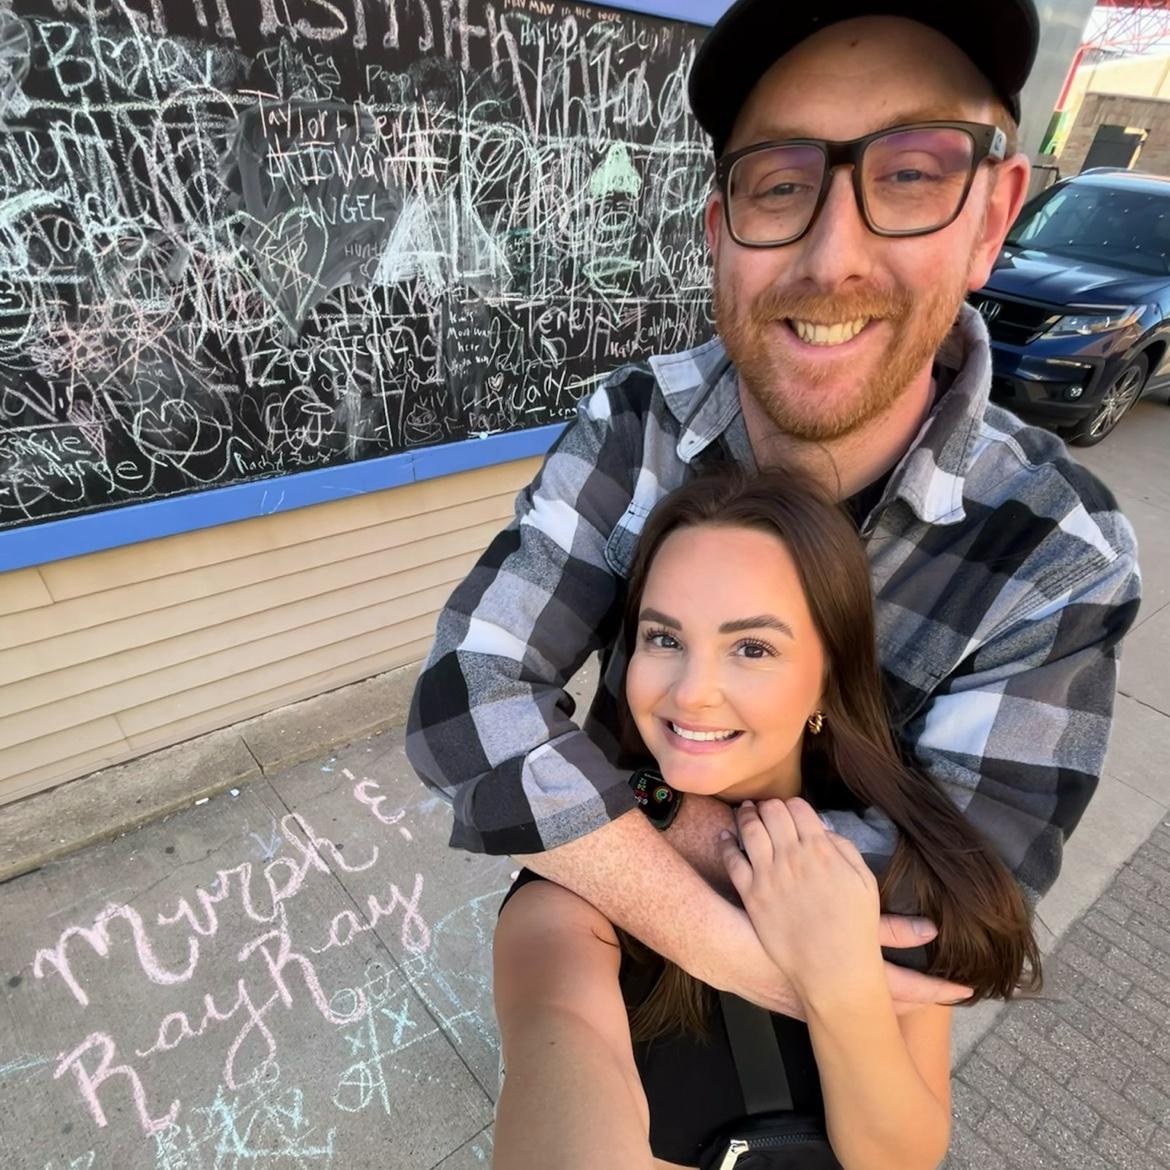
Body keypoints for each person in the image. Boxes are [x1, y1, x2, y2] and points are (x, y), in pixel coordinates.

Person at [407, 0, 1140, 1020]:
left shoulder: (1055, 550)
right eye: (782, 183)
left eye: (911, 174)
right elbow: (462, 696)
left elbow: (966, 913)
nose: (832, 258)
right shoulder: (638, 423)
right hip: (617, 934)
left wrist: (623, 811)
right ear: (721, 233)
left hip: (821, 1033)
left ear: (991, 219)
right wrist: (719, 915)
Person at [491, 470, 1042, 1170]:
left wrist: (841, 982)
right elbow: (561, 1034)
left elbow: (903, 1154)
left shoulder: (890, 874)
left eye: (752, 648)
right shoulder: (576, 881)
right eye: (664, 638)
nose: (692, 693)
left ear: (827, 680)